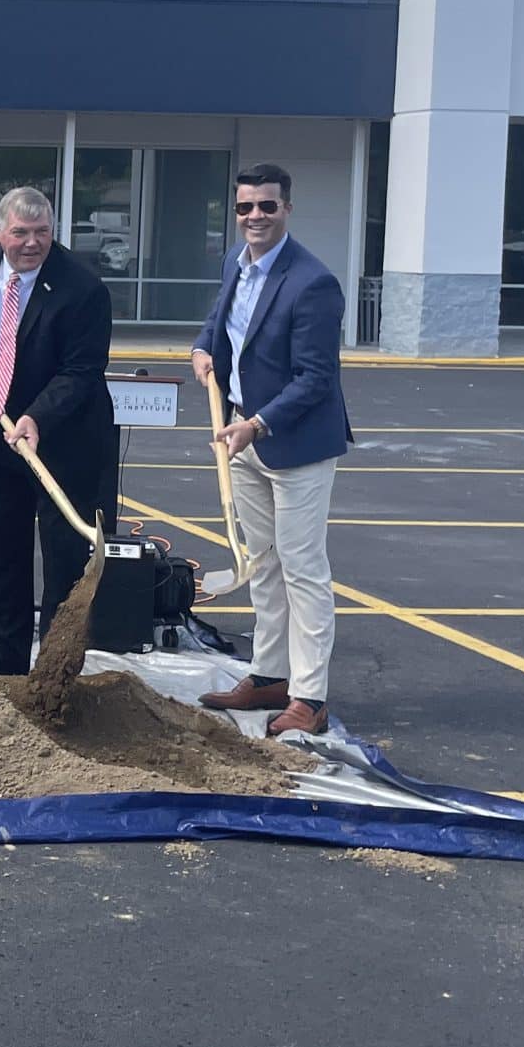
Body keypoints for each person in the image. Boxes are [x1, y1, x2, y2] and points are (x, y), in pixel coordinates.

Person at [191, 164, 353, 737]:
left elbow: (316, 378)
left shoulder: (312, 282)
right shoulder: (237, 264)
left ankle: (310, 696)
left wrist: (256, 424)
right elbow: (222, 323)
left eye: (266, 206)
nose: (254, 216)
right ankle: (269, 676)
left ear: (287, 209)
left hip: (294, 444)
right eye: (245, 208)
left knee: (303, 570)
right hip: (244, 433)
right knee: (263, 564)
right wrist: (201, 351)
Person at [0, 186, 117, 679]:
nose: (32, 244)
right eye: (20, 233)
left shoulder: (84, 289)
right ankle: (5, 654)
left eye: (42, 233)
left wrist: (37, 417)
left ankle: (56, 664)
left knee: (64, 554)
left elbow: (82, 371)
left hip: (65, 433)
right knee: (4, 545)